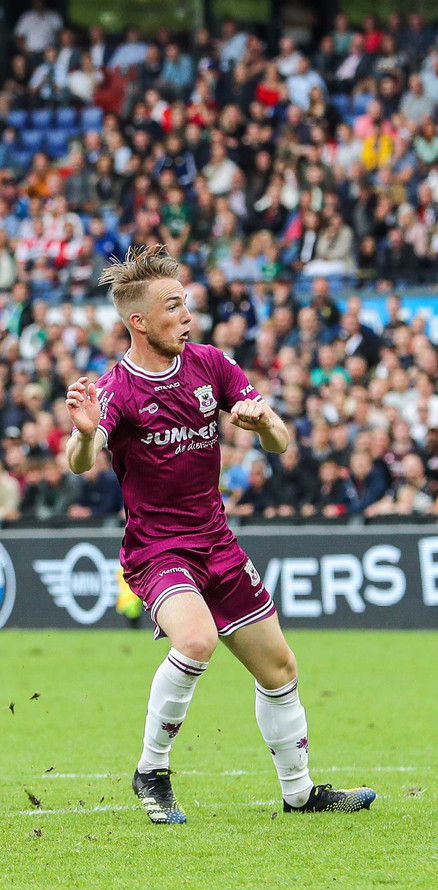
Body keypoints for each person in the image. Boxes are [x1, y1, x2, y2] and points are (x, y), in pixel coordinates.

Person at [64, 246, 376, 825]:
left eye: (186, 303)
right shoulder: (117, 390)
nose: (187, 315)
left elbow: (280, 443)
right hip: (159, 550)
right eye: (173, 306)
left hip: (218, 542)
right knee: (196, 640)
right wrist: (84, 435)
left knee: (280, 669)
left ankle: (300, 793)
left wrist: (266, 423)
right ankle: (151, 771)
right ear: (138, 321)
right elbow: (81, 461)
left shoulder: (210, 364)